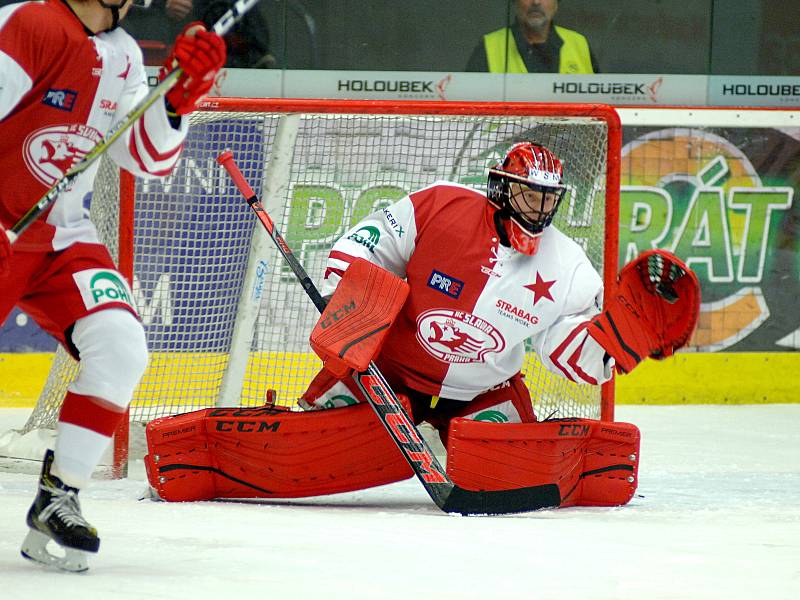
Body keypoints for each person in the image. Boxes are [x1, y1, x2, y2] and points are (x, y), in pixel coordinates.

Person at [0, 0, 226, 571]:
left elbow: (146, 157)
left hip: (60, 237)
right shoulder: (29, 23)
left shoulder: (123, 55)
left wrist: (176, 99)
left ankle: (60, 495)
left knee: (121, 345)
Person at [299, 142, 611, 441]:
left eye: (548, 199)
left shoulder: (567, 262)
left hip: (483, 389)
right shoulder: (442, 204)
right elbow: (370, 243)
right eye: (529, 196)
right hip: (388, 372)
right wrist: (340, 295)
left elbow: (570, 346)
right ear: (502, 188)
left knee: (508, 475)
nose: (539, 209)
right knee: (316, 442)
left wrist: (610, 348)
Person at [466, 0, 600, 74]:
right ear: (514, 2)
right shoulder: (490, 46)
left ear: (556, 4)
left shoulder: (578, 43)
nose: (536, 2)